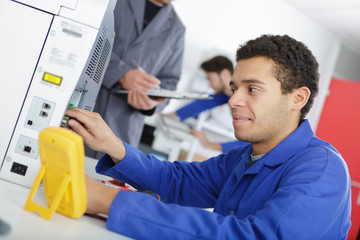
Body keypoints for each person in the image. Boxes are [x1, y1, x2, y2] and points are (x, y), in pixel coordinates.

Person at [66, 34, 351, 239]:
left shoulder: (321, 170)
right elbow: (176, 181)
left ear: (297, 98)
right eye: (234, 88)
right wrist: (114, 146)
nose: (233, 100)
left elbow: (256, 237)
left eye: (252, 89)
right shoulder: (244, 157)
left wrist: (109, 200)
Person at [87, 0, 185, 158]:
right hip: (86, 103)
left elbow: (170, 84)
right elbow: (84, 36)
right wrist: (121, 73)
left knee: (103, 179)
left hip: (123, 130)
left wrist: (151, 105)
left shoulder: (177, 29)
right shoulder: (115, 2)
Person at [165, 56, 247, 153]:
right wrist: (171, 115)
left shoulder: (244, 97)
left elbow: (250, 141)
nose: (209, 84)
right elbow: (204, 103)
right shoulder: (227, 95)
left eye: (211, 79)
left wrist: (208, 144)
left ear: (225, 74)